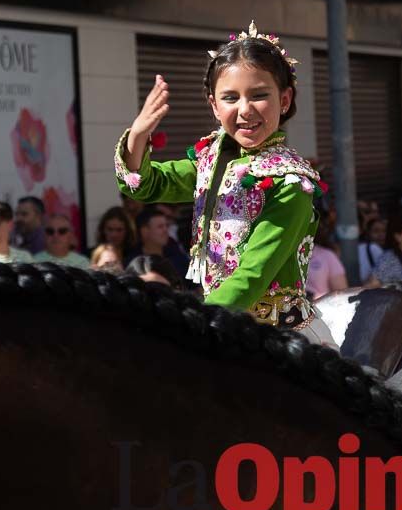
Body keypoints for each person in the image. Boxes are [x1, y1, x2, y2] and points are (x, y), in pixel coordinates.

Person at [115, 21, 330, 341]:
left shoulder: (291, 183)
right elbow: (146, 184)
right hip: (219, 321)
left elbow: (252, 275)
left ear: (285, 100)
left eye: (259, 95)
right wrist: (138, 134)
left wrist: (194, 321)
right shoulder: (211, 160)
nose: (245, 110)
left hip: (279, 336)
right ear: (214, 106)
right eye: (230, 98)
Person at [305, 210, 347, 300]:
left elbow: (341, 294)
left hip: (318, 307)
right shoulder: (286, 254)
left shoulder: (327, 256)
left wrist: (313, 297)